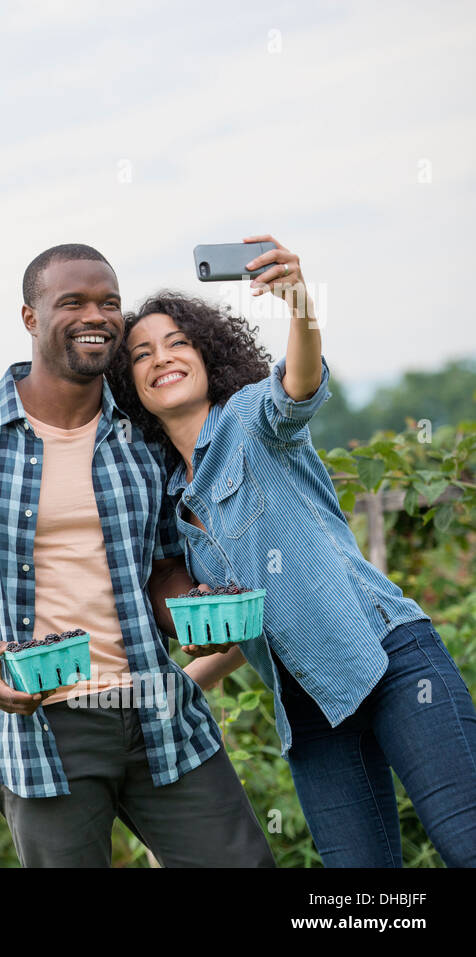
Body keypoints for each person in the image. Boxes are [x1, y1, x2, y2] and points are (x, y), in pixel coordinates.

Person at [0, 243, 274, 867]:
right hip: (42, 730)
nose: (97, 315)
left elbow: (161, 569)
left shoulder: (144, 437)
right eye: (73, 302)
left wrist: (193, 617)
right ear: (29, 317)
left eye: (109, 303)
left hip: (159, 712)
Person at [108, 233, 476, 867]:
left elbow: (298, 384)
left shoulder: (253, 420)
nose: (160, 358)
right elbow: (252, 625)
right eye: (141, 353)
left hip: (388, 660)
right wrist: (171, 691)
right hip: (308, 708)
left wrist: (300, 305)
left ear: (207, 356)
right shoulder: (171, 503)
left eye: (177, 343)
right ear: (130, 384)